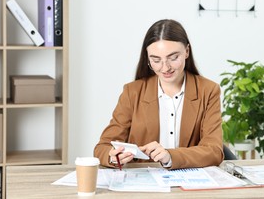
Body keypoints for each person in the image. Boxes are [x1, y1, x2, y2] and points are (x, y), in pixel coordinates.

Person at [94, 19, 223, 169]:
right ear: (147, 58)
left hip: (188, 183)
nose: (165, 67)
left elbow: (214, 151)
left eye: (173, 57)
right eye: (156, 60)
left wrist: (170, 156)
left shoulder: (208, 90)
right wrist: (113, 156)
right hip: (143, 183)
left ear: (187, 51)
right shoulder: (133, 92)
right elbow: (102, 147)